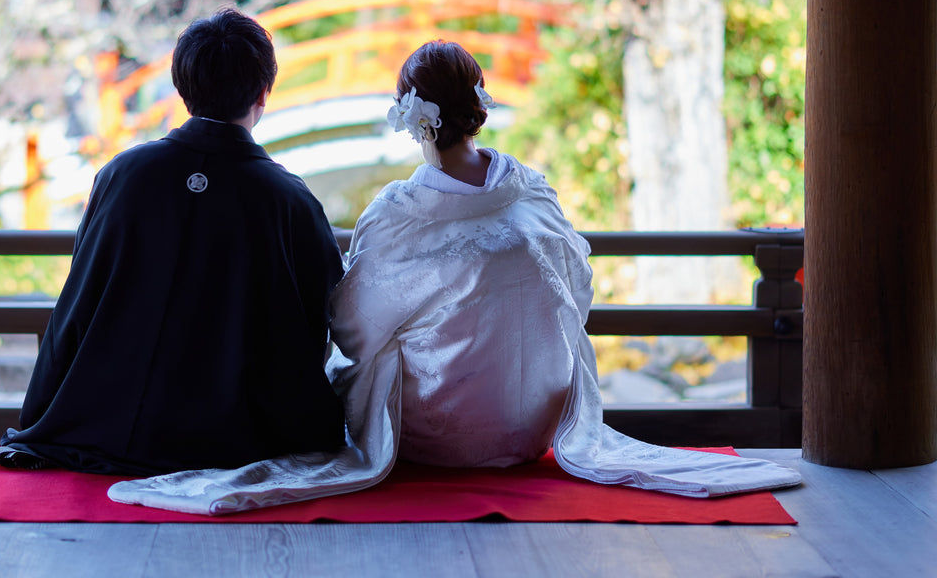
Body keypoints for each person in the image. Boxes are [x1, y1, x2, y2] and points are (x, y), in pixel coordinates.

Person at [106, 39, 802, 513]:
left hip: (437, 436)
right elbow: (577, 295)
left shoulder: (403, 211)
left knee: (357, 365)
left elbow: (352, 326)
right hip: (534, 424)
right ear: (477, 102)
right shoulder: (532, 194)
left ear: (411, 113)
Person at [0, 8, 346, 474]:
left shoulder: (122, 175)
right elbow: (324, 316)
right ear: (263, 93)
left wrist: (44, 412)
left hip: (107, 431)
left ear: (181, 89)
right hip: (240, 440)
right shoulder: (288, 199)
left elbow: (80, 298)